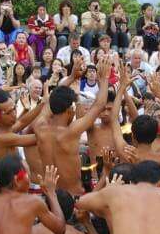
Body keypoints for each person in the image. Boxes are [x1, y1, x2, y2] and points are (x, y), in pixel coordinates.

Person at [34, 57, 111, 195]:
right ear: (70, 110)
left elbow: (53, 98)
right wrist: (104, 78)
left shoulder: (40, 126)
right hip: (73, 197)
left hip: (50, 197)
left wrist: (71, 77)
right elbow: (100, 105)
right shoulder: (72, 131)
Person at [111, 72, 160, 167]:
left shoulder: (128, 153)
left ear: (133, 137)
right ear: (155, 135)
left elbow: (114, 120)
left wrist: (121, 88)